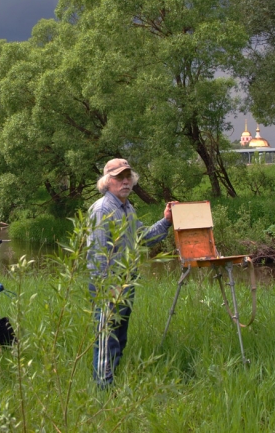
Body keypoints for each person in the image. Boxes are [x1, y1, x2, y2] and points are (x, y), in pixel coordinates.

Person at [87, 158, 174, 388]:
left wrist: (166, 222)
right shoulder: (102, 209)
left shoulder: (127, 208)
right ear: (107, 182)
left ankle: (111, 382)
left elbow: (143, 238)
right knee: (106, 338)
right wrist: (108, 286)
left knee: (119, 337)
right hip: (109, 285)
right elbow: (97, 254)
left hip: (125, 282)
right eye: (119, 177)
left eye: (128, 177)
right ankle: (103, 389)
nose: (125, 181)